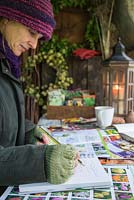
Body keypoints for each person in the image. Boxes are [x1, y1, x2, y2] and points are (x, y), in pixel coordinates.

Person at [0, 0, 79, 195]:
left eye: (39, 37)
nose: (34, 44)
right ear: (7, 18)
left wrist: (28, 131)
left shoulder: (9, 63)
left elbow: (6, 118)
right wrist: (42, 161)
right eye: (31, 32)